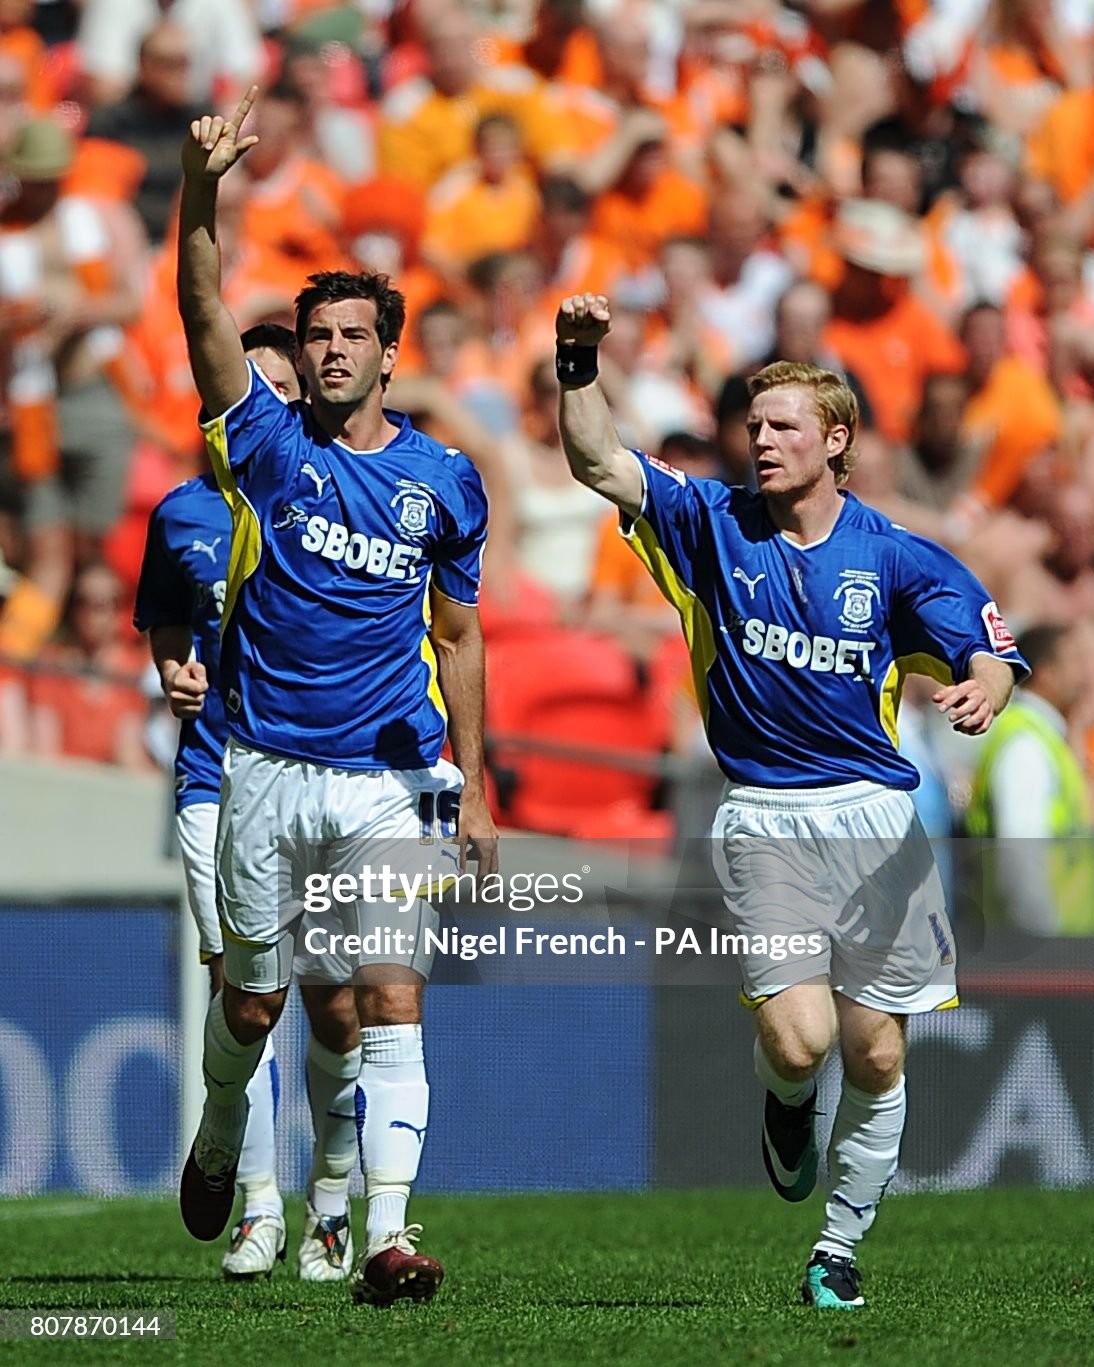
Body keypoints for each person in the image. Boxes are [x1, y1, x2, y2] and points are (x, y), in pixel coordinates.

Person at [555, 293, 1025, 1308]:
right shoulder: (709, 522)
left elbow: (982, 633)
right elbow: (600, 462)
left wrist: (989, 677)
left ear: (836, 439)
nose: (760, 441)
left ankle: (838, 1248)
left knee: (878, 1045)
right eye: (754, 426)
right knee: (800, 1040)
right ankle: (783, 1103)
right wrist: (577, 362)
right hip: (765, 812)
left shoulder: (891, 553)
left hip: (876, 817)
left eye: (783, 427)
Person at [174, 90, 497, 1310]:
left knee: (386, 992)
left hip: (388, 772)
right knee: (254, 999)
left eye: (352, 335)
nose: (331, 351)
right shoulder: (261, 443)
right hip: (262, 761)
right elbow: (205, 302)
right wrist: (205, 190)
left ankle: (388, 1236)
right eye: (316, 336)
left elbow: (459, 634)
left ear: (386, 349)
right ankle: (218, 1136)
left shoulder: (443, 478)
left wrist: (475, 777)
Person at [134, 325, 363, 1282]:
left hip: (330, 776)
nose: (264, 400)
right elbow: (169, 624)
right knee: (251, 996)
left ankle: (335, 1206)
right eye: (250, 385)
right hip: (217, 779)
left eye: (281, 384)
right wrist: (174, 675)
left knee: (342, 1009)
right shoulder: (182, 513)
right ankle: (256, 1205)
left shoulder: (334, 502)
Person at [967, 623, 1094, 935]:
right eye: (1073, 662)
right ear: (1045, 673)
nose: (1084, 676)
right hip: (1039, 953)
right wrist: (1041, 946)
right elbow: (1020, 858)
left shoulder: (1049, 739)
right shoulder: (1026, 744)